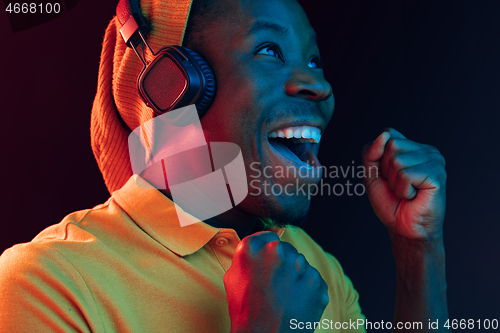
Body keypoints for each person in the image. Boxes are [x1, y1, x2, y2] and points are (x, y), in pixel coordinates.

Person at [0, 0, 449, 332]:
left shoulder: (314, 267)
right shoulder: (47, 283)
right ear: (174, 84)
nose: (319, 85)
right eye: (269, 51)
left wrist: (418, 252)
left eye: (314, 61)